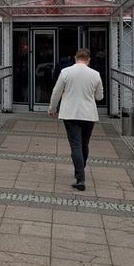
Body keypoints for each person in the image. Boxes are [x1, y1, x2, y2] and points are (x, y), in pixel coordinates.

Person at [48, 48, 103, 191]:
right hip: (89, 114)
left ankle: (80, 178)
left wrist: (52, 108)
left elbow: (56, 92)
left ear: (75, 57)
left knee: (75, 145)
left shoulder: (65, 72)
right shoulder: (95, 74)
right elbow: (99, 97)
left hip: (70, 113)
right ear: (89, 59)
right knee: (84, 144)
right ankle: (81, 168)